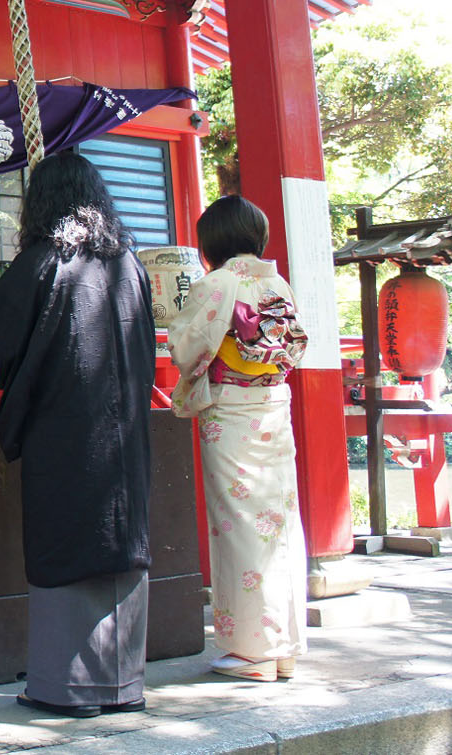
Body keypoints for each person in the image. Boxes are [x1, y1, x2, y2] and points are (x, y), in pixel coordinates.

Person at [0, 151, 156, 719]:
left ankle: (67, 688)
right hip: (124, 433)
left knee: (66, 540)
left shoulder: (38, 263)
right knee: (120, 540)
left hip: (64, 434)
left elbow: (7, 329)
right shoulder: (129, 264)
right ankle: (122, 684)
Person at [168, 195, 308, 682]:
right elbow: (292, 345)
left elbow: (188, 348)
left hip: (231, 411)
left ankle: (254, 653)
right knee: (278, 521)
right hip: (273, 405)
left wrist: (171, 319)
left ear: (212, 242)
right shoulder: (276, 282)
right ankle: (283, 645)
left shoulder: (219, 283)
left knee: (241, 525)